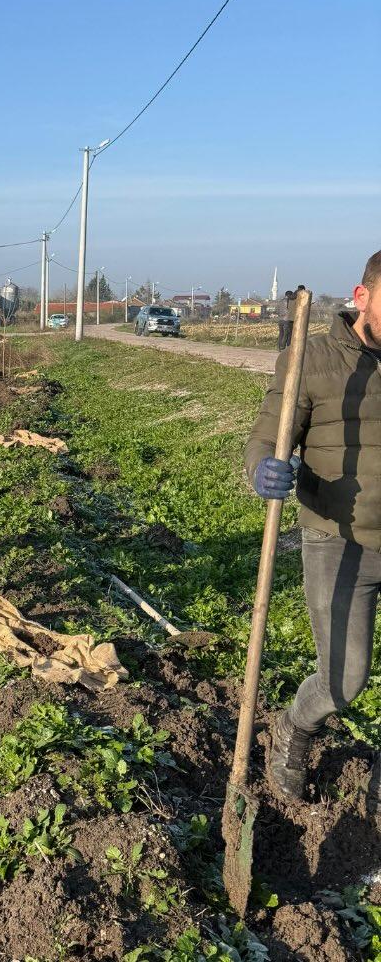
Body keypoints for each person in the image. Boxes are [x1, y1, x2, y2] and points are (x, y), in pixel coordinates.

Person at [245, 258, 381, 800]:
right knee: (344, 680)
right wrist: (262, 469)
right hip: (339, 538)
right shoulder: (312, 361)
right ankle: (294, 727)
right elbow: (263, 438)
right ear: (362, 296)